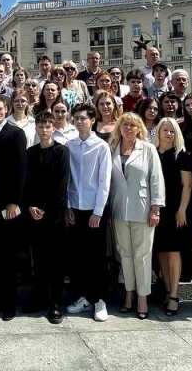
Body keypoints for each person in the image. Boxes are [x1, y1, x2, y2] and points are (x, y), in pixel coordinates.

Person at [109, 113, 164, 319]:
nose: (128, 129)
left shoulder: (147, 149)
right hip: (118, 209)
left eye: (132, 125)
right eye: (125, 125)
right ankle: (129, 294)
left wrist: (156, 208)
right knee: (124, 253)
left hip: (143, 209)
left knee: (142, 255)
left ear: (139, 128)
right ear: (119, 127)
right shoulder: (112, 147)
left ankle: (142, 298)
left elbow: (156, 179)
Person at [63, 103, 112, 322]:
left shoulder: (101, 147)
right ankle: (84, 297)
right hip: (75, 209)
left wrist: (98, 212)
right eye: (76, 118)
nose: (79, 121)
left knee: (97, 256)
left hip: (94, 210)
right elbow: (67, 179)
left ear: (92, 120)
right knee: (78, 256)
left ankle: (99, 299)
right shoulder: (69, 145)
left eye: (83, 118)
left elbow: (105, 182)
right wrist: (67, 206)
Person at [22, 112, 70, 324]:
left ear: (53, 129)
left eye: (47, 126)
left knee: (56, 262)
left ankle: (55, 304)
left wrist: (48, 212)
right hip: (34, 215)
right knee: (39, 260)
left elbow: (61, 185)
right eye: (40, 126)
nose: (44, 130)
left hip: (55, 217)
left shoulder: (61, 151)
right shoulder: (30, 153)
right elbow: (26, 183)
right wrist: (30, 207)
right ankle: (39, 298)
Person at [0, 94, 27, 321]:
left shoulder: (16, 133)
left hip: (8, 206)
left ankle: (9, 305)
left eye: (0, 109)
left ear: (6, 109)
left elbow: (21, 170)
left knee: (9, 258)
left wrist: (14, 202)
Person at [153, 117, 192, 316]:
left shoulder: (181, 155)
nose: (168, 134)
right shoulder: (151, 153)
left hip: (175, 209)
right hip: (156, 208)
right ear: (158, 132)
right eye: (165, 130)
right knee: (161, 251)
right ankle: (168, 291)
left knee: (174, 250)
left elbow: (187, 185)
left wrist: (182, 210)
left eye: (172, 131)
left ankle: (175, 294)